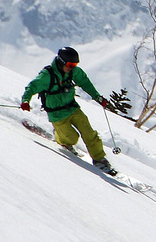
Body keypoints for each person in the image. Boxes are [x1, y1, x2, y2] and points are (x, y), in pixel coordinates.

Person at [21, 47, 118, 175]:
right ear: (61, 61)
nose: (73, 67)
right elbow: (32, 87)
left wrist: (98, 98)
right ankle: (61, 139)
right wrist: (25, 101)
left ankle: (100, 159)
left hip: (73, 108)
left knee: (89, 133)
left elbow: (85, 82)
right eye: (70, 65)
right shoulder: (47, 76)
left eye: (75, 65)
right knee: (72, 138)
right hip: (57, 114)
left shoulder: (73, 72)